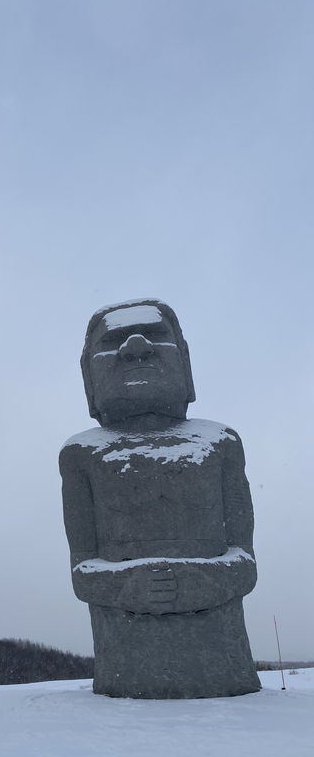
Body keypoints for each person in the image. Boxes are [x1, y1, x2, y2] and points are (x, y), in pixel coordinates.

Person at [59, 299, 260, 698]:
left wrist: (203, 580)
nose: (135, 347)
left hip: (221, 659)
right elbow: (82, 570)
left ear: (184, 361)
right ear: (89, 375)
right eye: (113, 340)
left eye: (155, 335)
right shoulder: (82, 455)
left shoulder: (220, 443)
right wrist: (128, 585)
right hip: (124, 664)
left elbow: (245, 560)